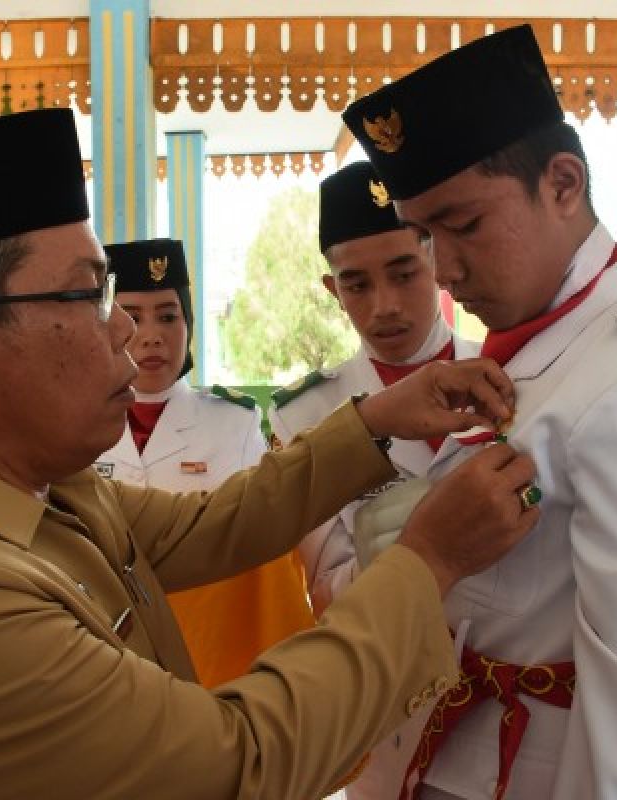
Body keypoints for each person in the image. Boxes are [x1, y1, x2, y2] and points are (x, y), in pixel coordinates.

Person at [0, 108, 542, 800]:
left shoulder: (43, 487)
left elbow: (213, 525)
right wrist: (429, 561)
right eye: (88, 299)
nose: (128, 334)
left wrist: (377, 416)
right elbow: (238, 762)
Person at [343, 25, 617, 799]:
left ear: (564, 184)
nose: (444, 269)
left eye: (465, 224)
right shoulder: (535, 347)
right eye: (424, 233)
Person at [268, 160, 479, 800]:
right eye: (357, 284)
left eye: (404, 273)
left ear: (436, 260)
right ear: (332, 290)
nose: (384, 305)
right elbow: (317, 591)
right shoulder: (304, 417)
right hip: (391, 711)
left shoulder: (512, 377)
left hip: (508, 690)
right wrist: (409, 550)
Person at [95, 237, 315, 687]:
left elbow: (264, 554)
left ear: (189, 325)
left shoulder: (232, 424)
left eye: (168, 316)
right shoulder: (73, 427)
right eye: (132, 317)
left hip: (214, 658)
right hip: (105, 648)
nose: (152, 334)